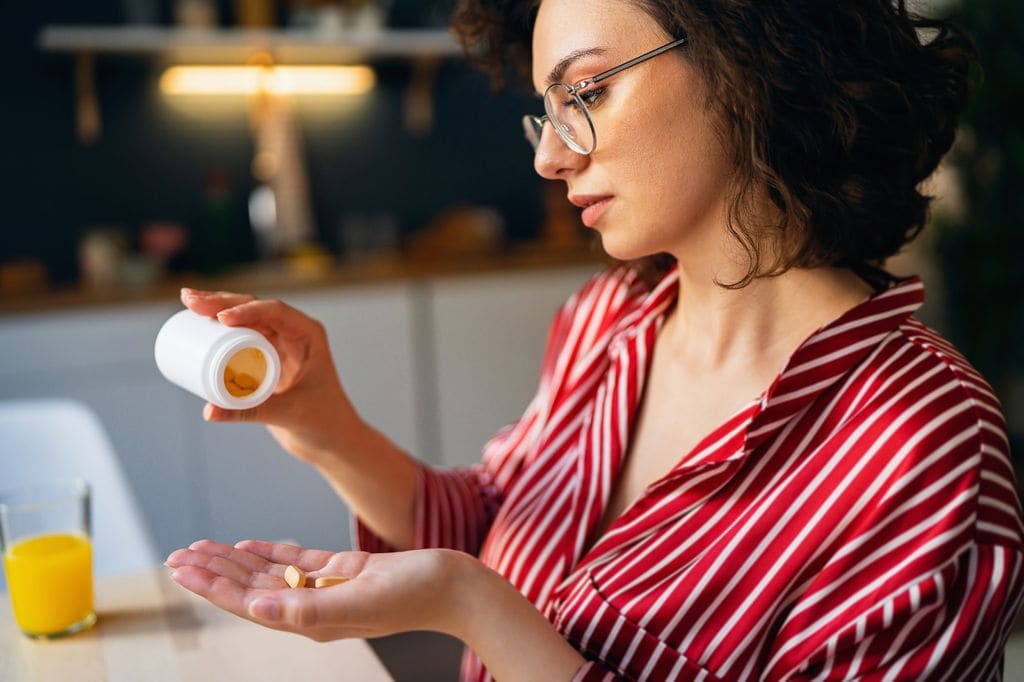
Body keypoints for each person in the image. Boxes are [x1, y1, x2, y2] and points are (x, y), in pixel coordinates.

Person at [165, 0, 1024, 679]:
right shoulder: (605, 321)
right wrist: (325, 426)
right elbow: (499, 518)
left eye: (586, 92)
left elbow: (478, 585)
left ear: (755, 63)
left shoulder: (925, 443)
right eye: (547, 111)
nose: (550, 158)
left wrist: (476, 609)